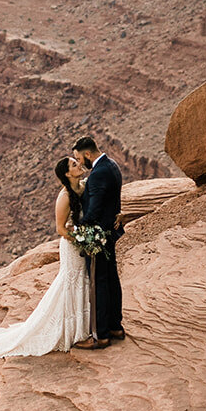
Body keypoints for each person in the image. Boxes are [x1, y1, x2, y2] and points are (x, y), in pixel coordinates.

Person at [0, 155, 91, 358]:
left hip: (82, 242)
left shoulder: (83, 186)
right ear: (67, 173)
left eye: (77, 162)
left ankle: (81, 328)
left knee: (81, 281)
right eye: (74, 164)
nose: (79, 165)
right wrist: (82, 239)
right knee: (70, 282)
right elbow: (60, 229)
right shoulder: (64, 196)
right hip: (72, 246)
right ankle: (69, 331)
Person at [73, 135, 124, 346]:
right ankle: (115, 326)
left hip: (99, 237)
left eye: (78, 158)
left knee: (99, 284)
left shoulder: (98, 174)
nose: (79, 163)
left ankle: (100, 335)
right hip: (110, 234)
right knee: (111, 279)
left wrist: (79, 230)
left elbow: (94, 210)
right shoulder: (111, 165)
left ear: (87, 154)